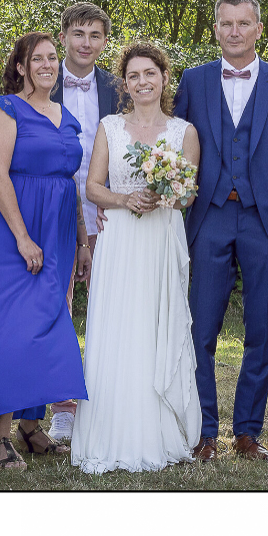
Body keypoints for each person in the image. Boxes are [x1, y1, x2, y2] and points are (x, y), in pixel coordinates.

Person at [174, 0, 268, 461]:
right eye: (226, 23)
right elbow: (178, 151)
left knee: (260, 331)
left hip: (263, 223)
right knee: (201, 329)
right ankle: (204, 431)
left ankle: (248, 433)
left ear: (258, 29)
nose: (234, 31)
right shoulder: (194, 81)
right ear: (215, 29)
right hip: (208, 217)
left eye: (243, 23)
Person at [68, 42, 203, 474]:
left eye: (150, 73)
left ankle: (161, 428)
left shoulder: (184, 132)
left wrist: (163, 194)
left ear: (164, 78)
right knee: (119, 328)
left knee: (156, 326)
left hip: (162, 236)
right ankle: (112, 431)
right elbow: (93, 187)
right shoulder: (110, 126)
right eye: (133, 76)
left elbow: (186, 195)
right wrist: (127, 199)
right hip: (121, 238)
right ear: (124, 84)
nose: (142, 82)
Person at [0, 32, 91, 470]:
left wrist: (81, 240)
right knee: (11, 331)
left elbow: (72, 183)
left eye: (52, 58)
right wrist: (23, 238)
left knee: (48, 325)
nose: (47, 65)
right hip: (16, 232)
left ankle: (30, 426)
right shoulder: (7, 109)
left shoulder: (67, 116)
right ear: (21, 67)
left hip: (58, 230)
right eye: (37, 59)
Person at [44, 1, 120, 443]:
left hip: (108, 213)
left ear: (104, 41)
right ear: (63, 37)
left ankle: (108, 403)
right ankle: (64, 409)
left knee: (109, 308)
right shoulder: (42, 83)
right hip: (56, 211)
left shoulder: (118, 86)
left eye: (94, 35)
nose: (86, 43)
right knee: (59, 308)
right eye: (78, 34)